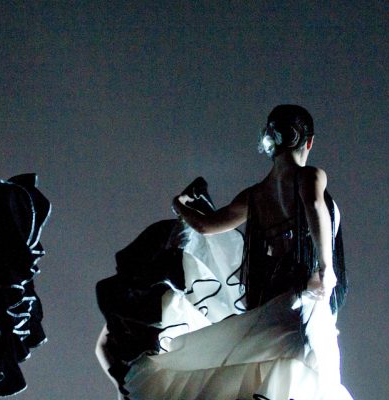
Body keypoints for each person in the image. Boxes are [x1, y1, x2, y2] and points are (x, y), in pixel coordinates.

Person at [118, 104, 351, 399]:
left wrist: (179, 205)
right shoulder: (309, 176)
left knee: (280, 364)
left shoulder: (255, 195)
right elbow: (315, 206)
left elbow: (205, 226)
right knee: (310, 366)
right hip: (304, 290)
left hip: (276, 297)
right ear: (309, 142)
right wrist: (326, 267)